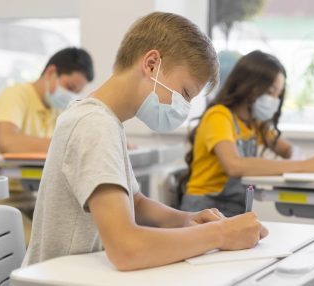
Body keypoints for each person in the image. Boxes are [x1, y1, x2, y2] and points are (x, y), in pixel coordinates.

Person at [23, 12, 268, 271]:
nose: (183, 108)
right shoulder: (93, 124)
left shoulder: (105, 120)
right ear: (151, 63)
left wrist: (188, 219)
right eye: (185, 93)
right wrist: (220, 234)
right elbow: (127, 248)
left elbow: (136, 202)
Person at [180, 51, 314, 217]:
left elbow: (286, 149)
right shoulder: (219, 116)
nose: (274, 100)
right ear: (248, 85)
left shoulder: (255, 123)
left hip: (233, 210)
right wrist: (303, 166)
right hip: (202, 209)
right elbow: (234, 165)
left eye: (278, 94)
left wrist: (296, 156)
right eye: (270, 92)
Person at [0, 47, 94, 180]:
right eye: (70, 88)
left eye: (76, 93)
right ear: (51, 72)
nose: (70, 96)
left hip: (24, 192)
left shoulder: (57, 110)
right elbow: (8, 142)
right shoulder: (15, 95)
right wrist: (67, 145)